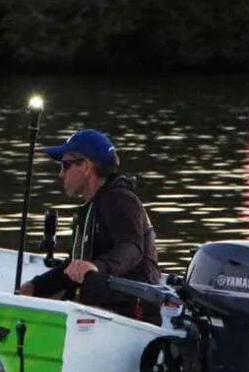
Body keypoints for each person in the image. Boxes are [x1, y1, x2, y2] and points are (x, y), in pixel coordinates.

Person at [19, 128, 160, 322]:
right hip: (98, 304)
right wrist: (34, 287)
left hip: (133, 314)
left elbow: (132, 248)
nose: (61, 174)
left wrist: (96, 266)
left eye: (65, 165)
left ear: (86, 166)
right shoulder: (92, 208)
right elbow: (73, 268)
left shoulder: (120, 199)